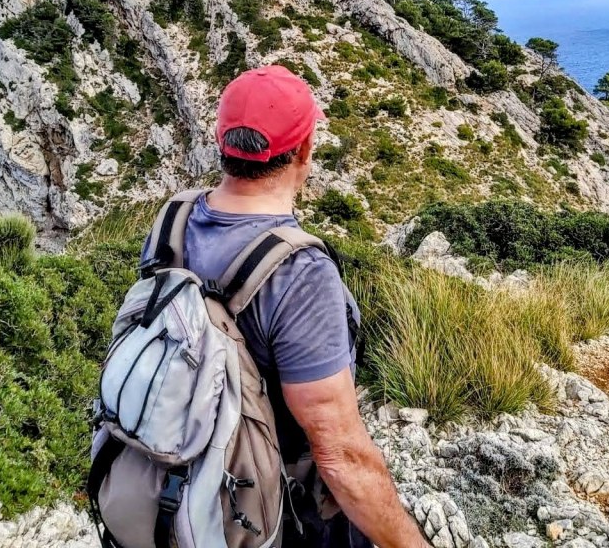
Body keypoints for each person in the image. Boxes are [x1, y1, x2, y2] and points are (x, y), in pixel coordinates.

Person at [150, 65, 429, 548]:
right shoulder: (300, 273)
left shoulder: (172, 220)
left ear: (220, 140)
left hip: (171, 476)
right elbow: (340, 456)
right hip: (271, 508)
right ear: (304, 149)